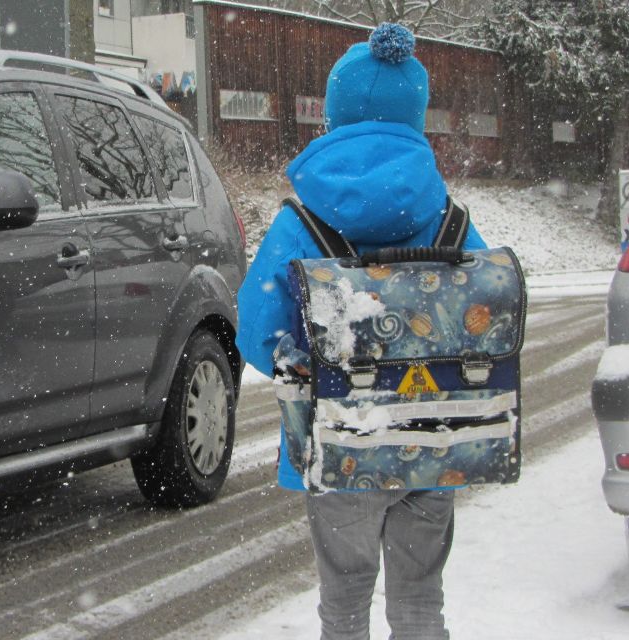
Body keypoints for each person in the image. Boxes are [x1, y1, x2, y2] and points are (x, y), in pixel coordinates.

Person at [235, 22, 487, 640]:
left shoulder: (301, 222)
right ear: (416, 117)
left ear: (336, 113)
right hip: (432, 439)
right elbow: (483, 321)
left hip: (339, 441)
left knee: (343, 601)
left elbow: (258, 333)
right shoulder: (450, 220)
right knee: (422, 598)